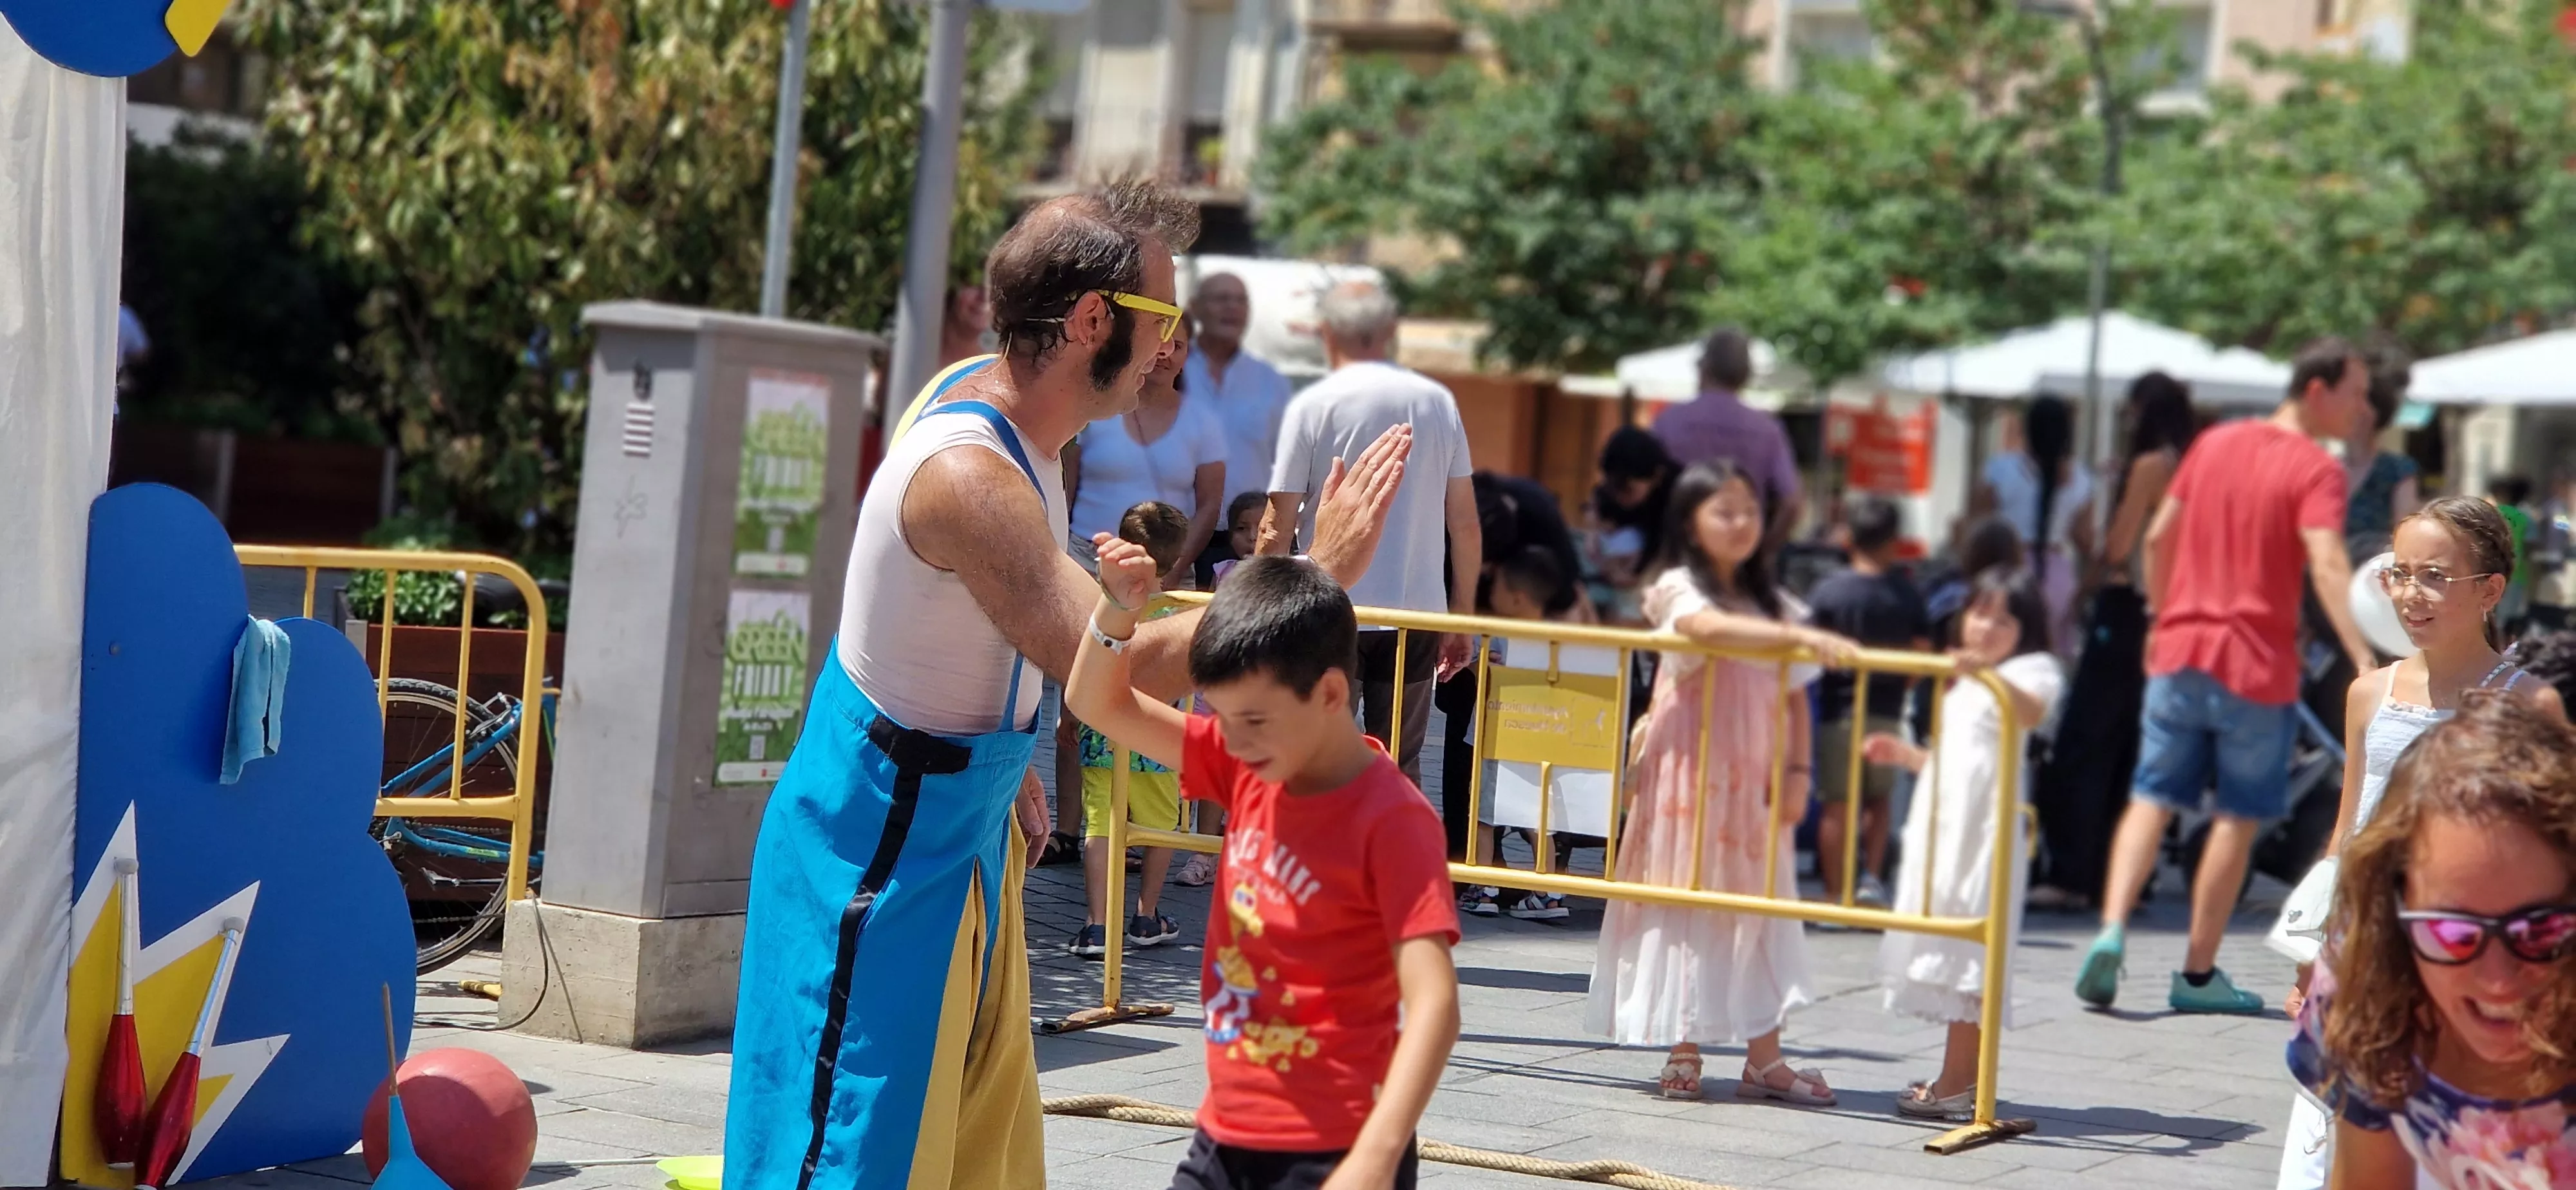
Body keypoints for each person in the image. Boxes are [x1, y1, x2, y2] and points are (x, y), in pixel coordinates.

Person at [727, 179, 1412, 1190]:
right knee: (851, 1159)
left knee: (979, 1165)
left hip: (960, 823)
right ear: (1092, 320)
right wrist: (1314, 578)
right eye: (1161, 318)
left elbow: (980, 636)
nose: (1170, 349)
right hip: (880, 847)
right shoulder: (971, 476)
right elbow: (1110, 672)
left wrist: (1008, 757)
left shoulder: (1007, 408)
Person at [1066, 549, 1461, 1190]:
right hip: (1226, 1136)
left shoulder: (1393, 819)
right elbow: (1098, 704)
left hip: (1339, 1144)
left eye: (1253, 720)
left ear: (1329, 694)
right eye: (1222, 717)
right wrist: (1115, 611)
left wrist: (1375, 1157)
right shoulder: (1245, 759)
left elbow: (1435, 1001)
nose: (1234, 738)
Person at [2074, 337, 2380, 1015]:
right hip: (2257, 664)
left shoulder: (2212, 443)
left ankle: (2111, 929)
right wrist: (2361, 652)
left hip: (2180, 649)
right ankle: (2196, 973)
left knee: (2151, 797)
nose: (2364, 408)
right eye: (2357, 393)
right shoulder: (2316, 469)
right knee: (2237, 818)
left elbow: (2158, 538)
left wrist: (2161, 616)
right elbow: (2328, 562)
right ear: (2317, 390)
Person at [2272, 497, 2563, 1189]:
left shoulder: (2530, 705)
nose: (2410, 593)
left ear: (2490, 590)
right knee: (2346, 1127)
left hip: (2466, 953)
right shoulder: (2369, 694)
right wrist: (2311, 953)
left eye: (2434, 576)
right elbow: (2349, 831)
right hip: (2366, 944)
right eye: (2398, 573)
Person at [1585, 460, 1861, 1105]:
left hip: (1754, 779)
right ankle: (1684, 1044)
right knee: (1688, 900)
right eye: (1724, 510)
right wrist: (1793, 636)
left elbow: (1795, 698)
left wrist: (1799, 773)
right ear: (1690, 522)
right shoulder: (1678, 587)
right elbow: (1702, 629)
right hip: (1688, 776)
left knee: (1761, 906)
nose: (1740, 523)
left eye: (1749, 510)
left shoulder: (1774, 602)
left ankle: (1765, 1058)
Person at [2286, 694, 2576, 1189]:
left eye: (2541, 932)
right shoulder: (2367, 998)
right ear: (2392, 914)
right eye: (2453, 933)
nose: (2497, 980)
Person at [1262, 279, 1481, 786]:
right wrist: (1460, 615)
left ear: (1327, 334)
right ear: (1389, 332)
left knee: (1318, 755)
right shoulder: (1437, 402)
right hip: (1414, 613)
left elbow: (1276, 522)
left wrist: (1261, 611)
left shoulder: (1314, 405)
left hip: (1327, 607)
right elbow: (1465, 523)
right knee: (1399, 765)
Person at [1866, 569, 2066, 1122]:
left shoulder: (2032, 669)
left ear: (2026, 629)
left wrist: (1987, 676)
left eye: (2003, 620)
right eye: (1980, 613)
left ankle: (1957, 1082)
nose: (1986, 627)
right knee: (1957, 942)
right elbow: (1957, 760)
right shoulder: (1965, 679)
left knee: (1972, 949)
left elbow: (2032, 711)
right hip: (1948, 829)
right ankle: (1963, 1076)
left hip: (1984, 834)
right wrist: (1906, 757)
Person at [2029, 372, 2196, 911]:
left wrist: (2111, 501)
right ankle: (2125, 877)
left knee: (2084, 742)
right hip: (2171, 616)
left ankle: (2073, 873)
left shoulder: (2150, 465)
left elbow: (2119, 545)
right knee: (2132, 748)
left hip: (2128, 610)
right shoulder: (2193, 462)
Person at [1065, 502, 1197, 959]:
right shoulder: (1178, 611)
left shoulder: (1106, 606)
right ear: (1175, 558)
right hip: (1155, 738)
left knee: (1100, 825)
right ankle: (1147, 913)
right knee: (1159, 828)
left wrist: (1070, 717)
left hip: (1102, 732)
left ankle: (1096, 923)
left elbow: (1081, 661)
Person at [1804, 495, 1929, 909]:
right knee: (1879, 799)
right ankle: (1871, 880)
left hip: (1838, 708)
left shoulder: (1829, 590)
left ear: (1848, 539)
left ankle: (1834, 890)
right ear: (1895, 541)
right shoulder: (1906, 592)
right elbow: (1922, 650)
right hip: (1887, 709)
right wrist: (1903, 684)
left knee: (1836, 803)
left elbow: (1809, 645)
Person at [1452, 547, 1584, 921]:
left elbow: (1476, 664)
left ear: (1515, 597)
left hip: (1499, 730)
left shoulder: (1497, 628)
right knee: (1540, 815)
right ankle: (1548, 892)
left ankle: (1484, 887)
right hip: (1544, 733)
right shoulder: (1560, 632)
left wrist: (1477, 664)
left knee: (1485, 814)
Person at [1651, 327, 1801, 545]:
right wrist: (1764, 549)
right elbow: (1792, 503)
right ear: (1746, 375)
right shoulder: (1767, 430)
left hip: (1677, 545)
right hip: (1739, 549)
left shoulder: (1669, 421)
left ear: (1704, 368)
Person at [1972, 395, 2092, 656]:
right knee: (2046, 654)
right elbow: (2085, 539)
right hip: (2057, 571)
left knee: (1999, 651)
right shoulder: (2081, 477)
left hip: (2005, 566)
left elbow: (1979, 526)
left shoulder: (1999, 469)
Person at [1184, 272, 1296, 540]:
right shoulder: (1171, 370)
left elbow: (1289, 464)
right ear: (1195, 308)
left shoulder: (1271, 382)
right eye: (1221, 299)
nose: (1232, 308)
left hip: (1248, 538)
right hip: (1179, 533)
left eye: (1240, 300)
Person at [1584, 427, 1678, 626]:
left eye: (1628, 490)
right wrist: (1594, 534)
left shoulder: (1677, 496)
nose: (1619, 497)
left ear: (1657, 476)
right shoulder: (1613, 491)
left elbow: (1664, 549)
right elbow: (1598, 504)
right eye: (1613, 488)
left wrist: (1636, 576)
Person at [2340, 370, 2418, 554]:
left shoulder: (2398, 470)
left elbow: (2406, 534)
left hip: (2373, 566)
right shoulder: (2325, 467)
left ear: (2377, 414)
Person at [2488, 475, 2537, 638]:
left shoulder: (2493, 513)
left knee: (2491, 612)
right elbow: (2530, 546)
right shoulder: (2526, 518)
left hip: (2491, 570)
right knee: (2509, 617)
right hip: (2516, 573)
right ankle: (2504, 645)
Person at [1208, 490, 1267, 590]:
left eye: (1262, 529)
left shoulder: (1286, 576)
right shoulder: (1223, 572)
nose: (1252, 537)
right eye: (1241, 528)